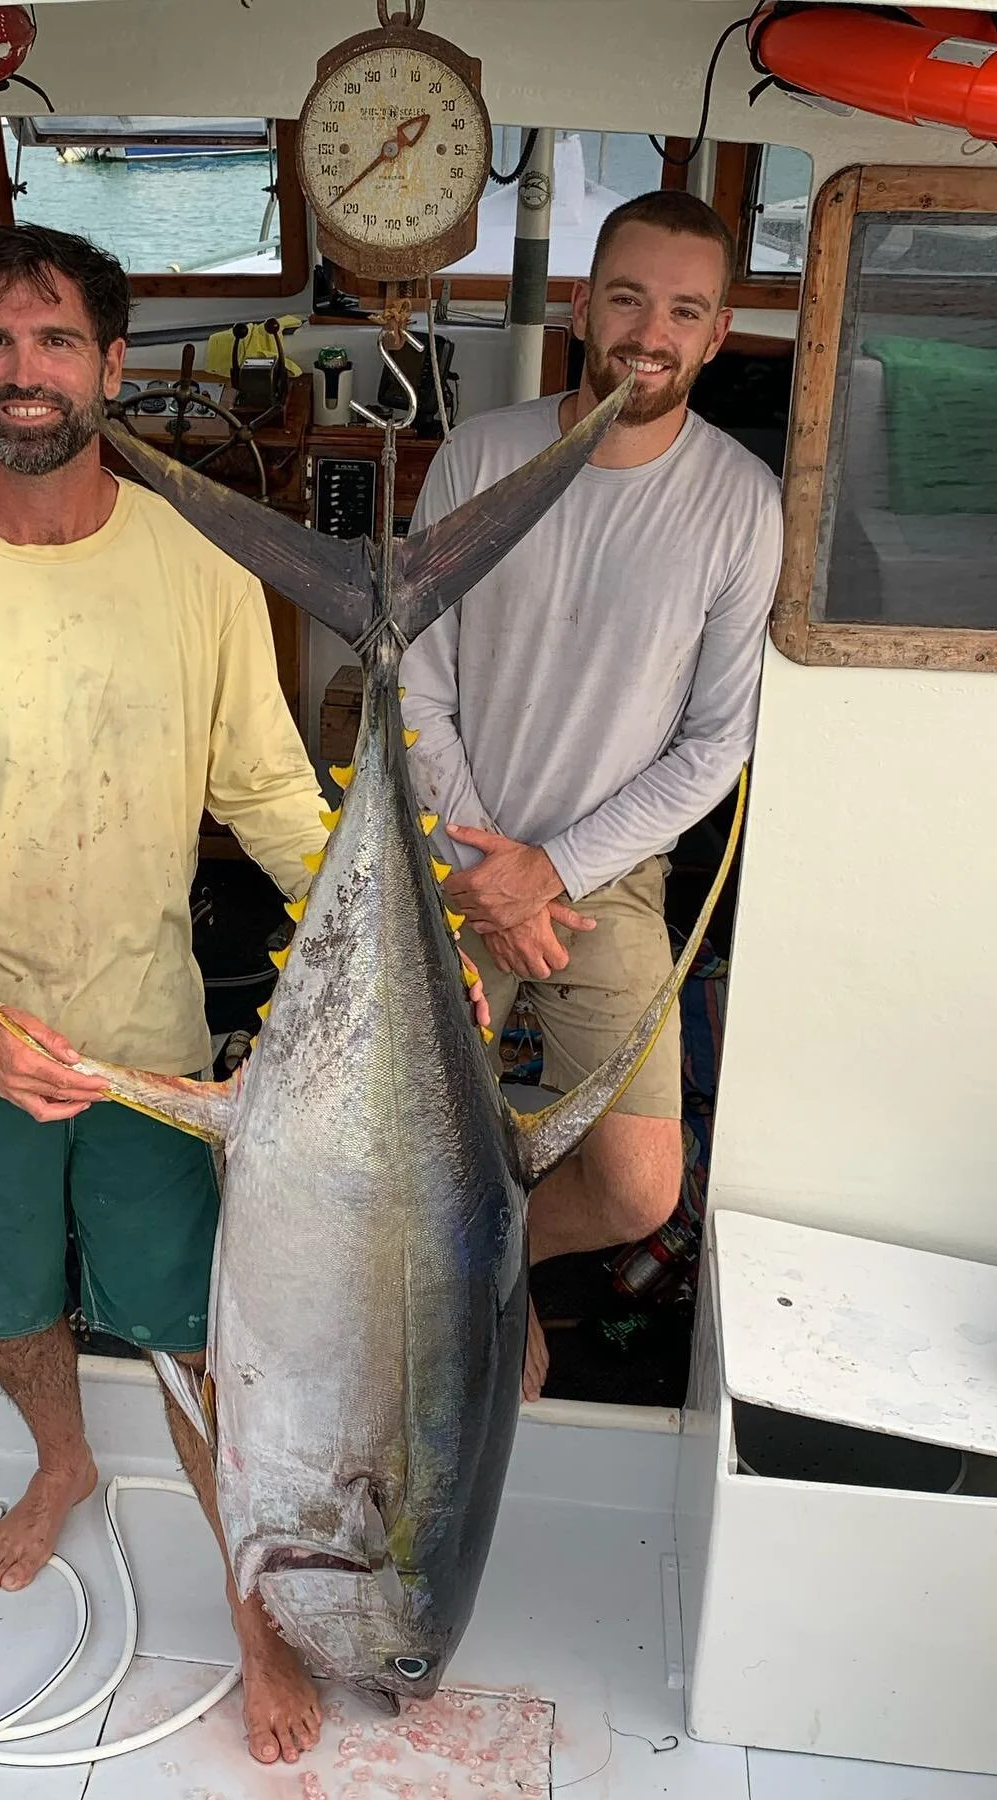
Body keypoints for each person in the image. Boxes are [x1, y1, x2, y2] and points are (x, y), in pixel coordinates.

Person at [0, 222, 333, 1767]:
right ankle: (58, 1461)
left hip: (147, 1040)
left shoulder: (197, 559)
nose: (21, 374)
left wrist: (400, 922)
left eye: (53, 344)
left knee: (190, 1326)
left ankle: (253, 1610)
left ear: (112, 366)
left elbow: (271, 791)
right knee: (4, 1293)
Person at [401, 190, 783, 1401]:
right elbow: (414, 682)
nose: (649, 330)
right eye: (626, 297)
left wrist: (549, 871)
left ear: (718, 333)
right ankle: (431, 1307)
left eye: (683, 308)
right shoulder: (482, 453)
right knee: (397, 1153)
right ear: (581, 305)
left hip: (605, 877)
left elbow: (716, 744)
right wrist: (485, 865)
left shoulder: (739, 504)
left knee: (638, 1187)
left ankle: (494, 1267)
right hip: (449, 849)